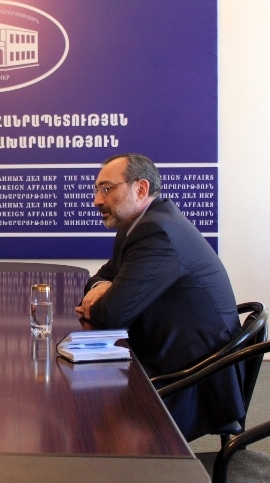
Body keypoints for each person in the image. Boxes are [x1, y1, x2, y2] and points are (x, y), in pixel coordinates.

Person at [74, 153, 244, 441]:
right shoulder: (138, 225)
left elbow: (110, 316)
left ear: (140, 189)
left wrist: (108, 293)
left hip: (195, 374)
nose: (97, 201)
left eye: (106, 189)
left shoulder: (156, 232)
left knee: (87, 412)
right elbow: (100, 277)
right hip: (168, 349)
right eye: (97, 190)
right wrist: (102, 287)